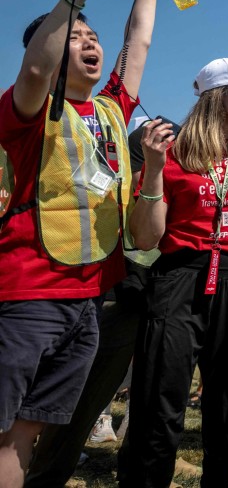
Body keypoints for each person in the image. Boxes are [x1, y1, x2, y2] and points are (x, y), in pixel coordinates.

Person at [0, 0, 162, 488]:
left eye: (92, 36)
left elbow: (136, 43)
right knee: (5, 432)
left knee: (29, 428)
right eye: (76, 37)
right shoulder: (28, 109)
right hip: (28, 296)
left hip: (86, 301)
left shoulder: (112, 110)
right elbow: (35, 70)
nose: (90, 42)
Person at [121, 58, 228, 487]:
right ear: (218, 96)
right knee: (159, 400)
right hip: (178, 277)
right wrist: (153, 171)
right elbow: (145, 238)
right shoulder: (171, 152)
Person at [25, 118, 180, 488]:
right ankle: (44, 472)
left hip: (155, 295)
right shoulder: (122, 178)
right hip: (117, 294)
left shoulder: (172, 173)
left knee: (146, 390)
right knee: (82, 394)